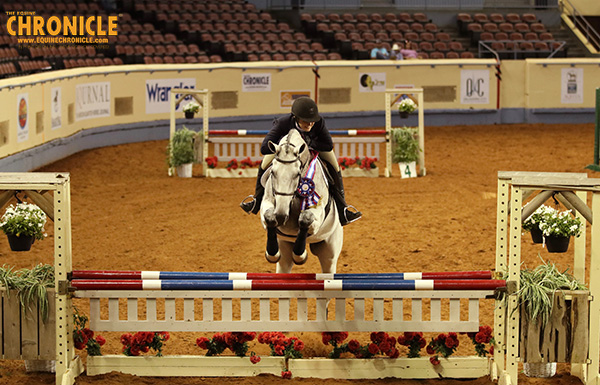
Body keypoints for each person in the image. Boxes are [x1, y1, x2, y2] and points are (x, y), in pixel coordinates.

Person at [240, 97, 362, 226]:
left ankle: (342, 209)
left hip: (313, 150)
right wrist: (286, 145)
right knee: (264, 164)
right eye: (306, 121)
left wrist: (308, 144)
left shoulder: (319, 123)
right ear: (295, 118)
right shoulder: (283, 123)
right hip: (286, 153)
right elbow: (265, 147)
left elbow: (328, 145)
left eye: (312, 121)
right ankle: (256, 201)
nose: (310, 124)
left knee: (335, 166)